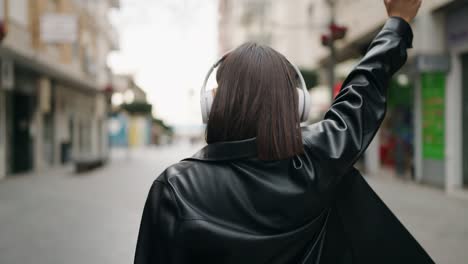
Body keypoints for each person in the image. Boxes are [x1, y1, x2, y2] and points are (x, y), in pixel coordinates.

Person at [135, 0, 433, 263]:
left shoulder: (175, 189)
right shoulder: (317, 162)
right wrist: (397, 22)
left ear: (211, 104)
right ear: (297, 105)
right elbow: (361, 96)